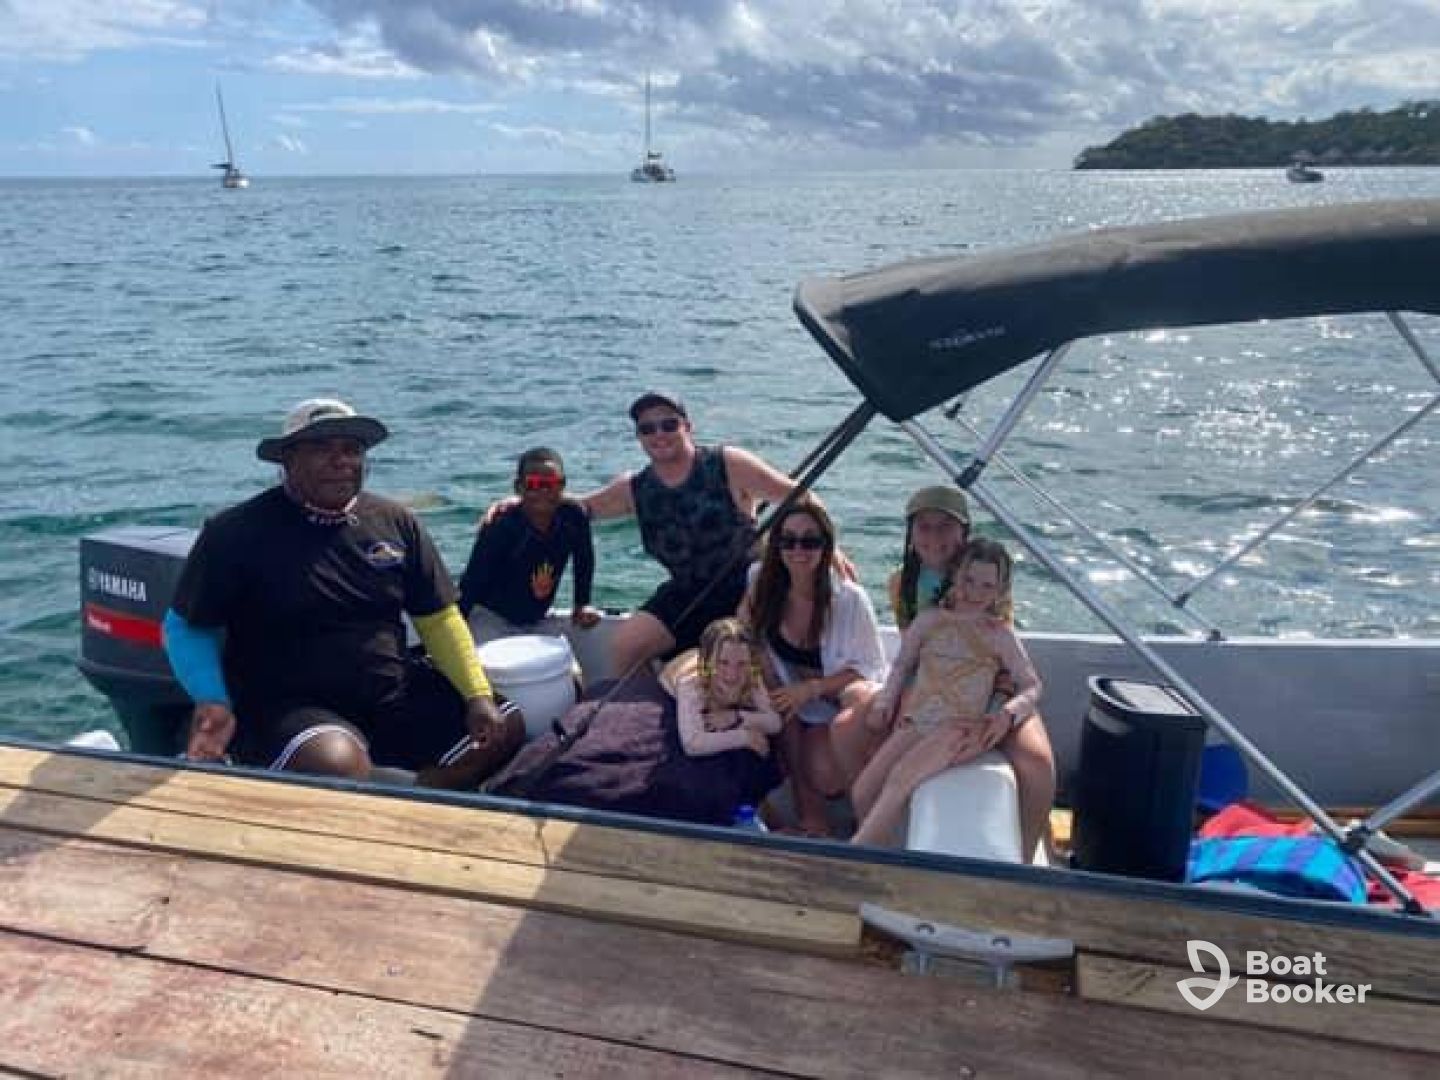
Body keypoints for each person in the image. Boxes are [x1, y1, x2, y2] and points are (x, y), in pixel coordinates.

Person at [162, 398, 524, 789]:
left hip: (389, 694)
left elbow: (438, 619)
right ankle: (376, 790)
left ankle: (414, 794)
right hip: (288, 706)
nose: (341, 461)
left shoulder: (395, 521)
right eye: (322, 448)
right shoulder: (233, 532)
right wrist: (213, 701)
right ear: (287, 459)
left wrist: (476, 694)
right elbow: (184, 626)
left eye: (352, 449)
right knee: (336, 763)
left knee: (505, 726)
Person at [565, 391, 803, 674]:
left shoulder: (728, 463)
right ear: (639, 437)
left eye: (669, 425)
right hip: (688, 591)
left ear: (687, 427)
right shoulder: (635, 488)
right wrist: (529, 498)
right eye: (647, 428)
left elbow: (802, 499)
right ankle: (649, 701)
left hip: (749, 585)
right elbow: (579, 508)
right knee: (625, 647)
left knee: (735, 655)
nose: (659, 434)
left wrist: (828, 551)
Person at [851, 538, 1047, 853]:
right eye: (969, 580)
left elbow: (1032, 685)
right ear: (955, 575)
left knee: (899, 781)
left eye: (987, 586)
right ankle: (882, 856)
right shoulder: (929, 620)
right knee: (862, 792)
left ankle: (860, 854)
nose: (975, 592)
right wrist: (885, 702)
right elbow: (902, 665)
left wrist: (1007, 715)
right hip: (917, 722)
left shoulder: (999, 634)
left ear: (1000, 590)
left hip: (959, 728)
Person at [738, 496, 886, 837]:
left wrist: (811, 689)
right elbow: (744, 630)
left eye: (810, 541)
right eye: (788, 540)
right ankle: (810, 817)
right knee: (779, 710)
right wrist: (768, 683)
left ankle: (867, 816)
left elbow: (870, 670)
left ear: (826, 546)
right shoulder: (760, 580)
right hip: (789, 702)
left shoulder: (849, 600)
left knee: (825, 773)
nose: (798, 550)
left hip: (836, 704)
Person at [457, 446, 599, 641]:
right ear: (519, 487)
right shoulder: (502, 526)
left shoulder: (574, 517)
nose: (543, 492)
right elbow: (471, 583)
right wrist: (453, 634)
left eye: (550, 484)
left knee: (569, 660)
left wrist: (582, 604)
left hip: (536, 619)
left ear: (562, 485)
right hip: (491, 617)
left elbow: (584, 560)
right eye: (533, 484)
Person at [674, 618, 783, 760]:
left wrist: (735, 717)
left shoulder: (751, 675)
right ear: (707, 662)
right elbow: (692, 743)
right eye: (722, 663)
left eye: (742, 663)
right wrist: (744, 737)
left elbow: (775, 723)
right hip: (670, 693)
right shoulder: (691, 684)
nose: (732, 675)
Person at [888, 485, 972, 629]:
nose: (934, 536)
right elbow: (906, 634)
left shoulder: (983, 579)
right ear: (911, 534)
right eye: (924, 526)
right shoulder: (899, 581)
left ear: (964, 532)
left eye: (945, 526)